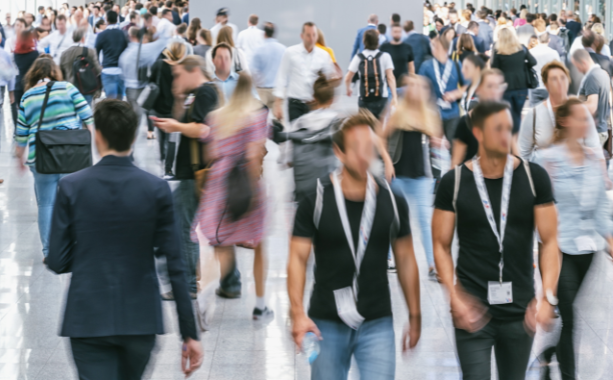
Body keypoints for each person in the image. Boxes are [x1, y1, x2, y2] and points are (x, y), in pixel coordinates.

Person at [46, 98, 203, 380]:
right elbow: (176, 267)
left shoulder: (71, 187)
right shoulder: (156, 189)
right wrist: (189, 334)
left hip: (87, 317)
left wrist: (87, 256)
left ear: (98, 135)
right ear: (133, 136)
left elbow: (57, 260)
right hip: (140, 318)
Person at [432, 100, 559, 380]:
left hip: (519, 311)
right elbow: (440, 245)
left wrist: (548, 296)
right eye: (497, 129)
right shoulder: (453, 183)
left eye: (508, 128)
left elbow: (549, 242)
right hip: (472, 311)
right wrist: (455, 297)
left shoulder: (533, 177)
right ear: (478, 133)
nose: (506, 135)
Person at [535, 98, 613, 380]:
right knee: (569, 316)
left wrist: (609, 239)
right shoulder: (547, 159)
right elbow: (538, 207)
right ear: (565, 121)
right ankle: (569, 375)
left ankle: (550, 354)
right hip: (558, 248)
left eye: (588, 119)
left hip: (588, 249)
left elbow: (601, 206)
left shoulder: (595, 158)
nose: (587, 123)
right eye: (581, 118)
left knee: (569, 315)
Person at [150, 55, 220, 303]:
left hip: (196, 173)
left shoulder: (206, 93)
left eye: (179, 74)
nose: (175, 79)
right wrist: (179, 99)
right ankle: (227, 281)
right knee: (183, 225)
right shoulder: (194, 94)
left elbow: (203, 129)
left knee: (184, 228)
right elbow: (185, 121)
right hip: (189, 172)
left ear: (193, 71)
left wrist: (175, 126)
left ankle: (190, 284)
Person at [14, 57, 93, 260]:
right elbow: (88, 116)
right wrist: (92, 142)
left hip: (41, 156)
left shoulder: (27, 96)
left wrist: (19, 157)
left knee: (46, 204)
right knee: (74, 200)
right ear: (54, 72)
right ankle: (77, 245)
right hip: (71, 153)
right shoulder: (67, 88)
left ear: (33, 74)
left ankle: (50, 252)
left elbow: (21, 133)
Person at [383, 74, 442, 280]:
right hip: (398, 174)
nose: (417, 91)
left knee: (425, 220)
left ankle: (432, 265)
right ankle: (388, 258)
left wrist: (438, 142)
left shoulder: (430, 114)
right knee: (393, 218)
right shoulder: (397, 112)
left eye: (421, 88)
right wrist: (387, 163)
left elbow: (437, 139)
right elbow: (381, 139)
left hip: (421, 176)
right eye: (413, 87)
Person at [273, 22, 335, 122]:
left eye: (314, 35)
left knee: (314, 136)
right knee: (296, 135)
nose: (311, 38)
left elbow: (329, 79)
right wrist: (277, 104)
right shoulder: (290, 52)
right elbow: (281, 77)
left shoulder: (323, 55)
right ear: (302, 36)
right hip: (295, 104)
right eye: (308, 35)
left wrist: (328, 103)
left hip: (315, 106)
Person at [119, 27, 169, 137]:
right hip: (140, 89)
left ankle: (129, 144)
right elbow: (164, 40)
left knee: (134, 117)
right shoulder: (144, 50)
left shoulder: (125, 53)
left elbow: (121, 72)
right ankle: (129, 146)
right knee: (137, 120)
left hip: (128, 89)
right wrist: (155, 29)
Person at [452, 68, 507, 167]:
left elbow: (515, 156)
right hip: (472, 176)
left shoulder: (508, 119)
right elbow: (456, 161)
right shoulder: (466, 121)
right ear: (479, 89)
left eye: (499, 86)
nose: (494, 91)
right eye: (489, 86)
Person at [491, 27, 536, 147]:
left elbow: (493, 68)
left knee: (507, 115)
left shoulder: (498, 50)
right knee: (517, 113)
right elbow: (533, 62)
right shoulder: (521, 48)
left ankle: (509, 142)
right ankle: (516, 142)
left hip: (505, 87)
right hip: (521, 86)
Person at [419, 35, 466, 146]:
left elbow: (467, 86)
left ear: (445, 50)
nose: (433, 49)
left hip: (452, 114)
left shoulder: (456, 65)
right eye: (433, 46)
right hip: (433, 114)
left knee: (454, 146)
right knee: (434, 150)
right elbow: (419, 88)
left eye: (437, 47)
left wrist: (456, 94)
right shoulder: (426, 66)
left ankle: (453, 164)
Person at [345, 29, 397, 119]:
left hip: (364, 99)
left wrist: (348, 89)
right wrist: (394, 96)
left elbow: (347, 78)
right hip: (381, 99)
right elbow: (390, 77)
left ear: (364, 41)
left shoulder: (358, 57)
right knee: (379, 129)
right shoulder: (385, 56)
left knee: (365, 128)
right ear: (377, 41)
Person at [571, 50, 611, 148]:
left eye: (577, 66)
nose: (578, 70)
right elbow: (609, 100)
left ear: (583, 62)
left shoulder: (592, 77)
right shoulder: (603, 73)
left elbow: (592, 107)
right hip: (600, 130)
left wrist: (571, 105)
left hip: (593, 133)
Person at [59, 27, 101, 105]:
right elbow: (98, 70)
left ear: (72, 38)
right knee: (87, 113)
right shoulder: (90, 52)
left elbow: (60, 74)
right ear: (83, 38)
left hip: (69, 89)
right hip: (86, 89)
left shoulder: (64, 54)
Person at [251, 22, 286, 110]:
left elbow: (254, 72)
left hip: (263, 91)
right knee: (279, 120)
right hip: (279, 90)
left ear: (264, 33)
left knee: (261, 119)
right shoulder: (283, 49)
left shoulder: (258, 50)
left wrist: (260, 83)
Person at [95, 10, 128, 100]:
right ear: (117, 19)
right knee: (120, 100)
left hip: (107, 70)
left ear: (107, 19)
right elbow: (127, 50)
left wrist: (98, 66)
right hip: (121, 70)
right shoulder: (122, 34)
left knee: (111, 101)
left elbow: (96, 52)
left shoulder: (102, 35)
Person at [11, 28, 39, 128]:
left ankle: (22, 131)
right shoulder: (35, 54)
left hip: (19, 85)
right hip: (31, 85)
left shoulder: (15, 54)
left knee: (22, 112)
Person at [380, 22, 415, 94]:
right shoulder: (384, 47)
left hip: (404, 86)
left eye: (399, 32)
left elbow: (411, 67)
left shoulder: (407, 47)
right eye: (395, 32)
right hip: (388, 86)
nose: (397, 34)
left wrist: (412, 83)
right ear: (391, 33)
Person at [528, 32, 560, 106]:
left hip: (534, 86)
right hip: (549, 86)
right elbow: (559, 69)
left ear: (538, 40)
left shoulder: (530, 52)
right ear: (549, 40)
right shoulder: (554, 53)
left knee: (534, 113)